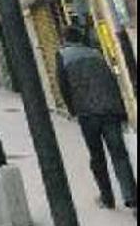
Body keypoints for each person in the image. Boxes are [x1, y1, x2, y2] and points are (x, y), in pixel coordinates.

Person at [56, 26, 137, 210]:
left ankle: (107, 198)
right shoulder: (96, 53)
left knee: (97, 156)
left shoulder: (62, 55)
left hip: (87, 113)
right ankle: (131, 197)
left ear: (64, 39)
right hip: (110, 110)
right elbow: (110, 80)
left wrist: (72, 110)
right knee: (120, 154)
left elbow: (63, 85)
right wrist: (121, 110)